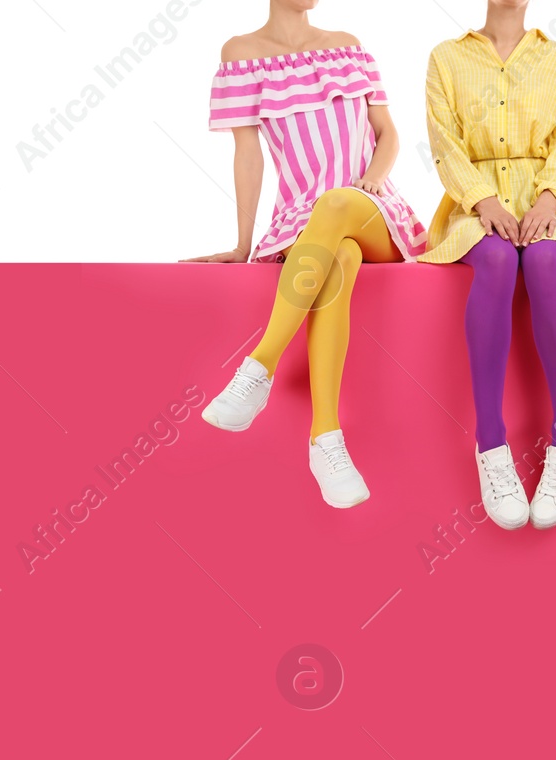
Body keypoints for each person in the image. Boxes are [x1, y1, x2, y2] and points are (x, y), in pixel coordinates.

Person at [187, 0, 427, 509]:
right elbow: (247, 154)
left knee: (338, 204)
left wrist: (373, 181)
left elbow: (388, 134)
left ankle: (258, 366)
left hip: (373, 207)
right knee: (338, 258)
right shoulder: (240, 53)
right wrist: (242, 244)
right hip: (304, 219)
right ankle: (326, 440)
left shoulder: (347, 45)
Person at [421, 0, 556, 530]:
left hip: (550, 203)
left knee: (545, 262)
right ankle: (491, 443)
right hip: (475, 205)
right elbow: (444, 143)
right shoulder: (445, 58)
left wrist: (548, 200)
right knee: (497, 259)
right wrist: (484, 202)